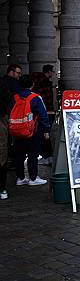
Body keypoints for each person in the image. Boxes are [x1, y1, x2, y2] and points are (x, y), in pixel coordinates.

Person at [12, 75, 51, 186]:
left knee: (19, 155)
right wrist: (46, 130)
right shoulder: (35, 98)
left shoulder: (14, 97)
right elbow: (43, 116)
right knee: (33, 154)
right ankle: (33, 178)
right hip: (33, 130)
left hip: (17, 130)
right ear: (32, 85)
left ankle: (20, 178)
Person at [0, 64, 22, 199]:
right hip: (3, 120)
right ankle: (2, 188)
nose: (19, 76)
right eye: (18, 73)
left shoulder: (3, 83)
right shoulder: (10, 85)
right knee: (2, 154)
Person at [32, 64, 56, 165]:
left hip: (44, 112)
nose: (54, 74)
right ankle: (47, 156)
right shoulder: (44, 83)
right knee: (45, 134)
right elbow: (47, 99)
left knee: (45, 135)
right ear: (49, 72)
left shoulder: (39, 82)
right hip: (46, 112)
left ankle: (47, 156)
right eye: (53, 72)